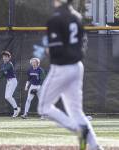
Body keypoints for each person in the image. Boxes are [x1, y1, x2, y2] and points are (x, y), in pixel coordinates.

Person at [38, 0, 103, 150]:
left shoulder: (55, 18)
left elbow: (56, 50)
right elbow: (83, 44)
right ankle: (95, 147)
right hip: (77, 66)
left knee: (43, 107)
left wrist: (48, 51)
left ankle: (78, 129)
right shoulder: (77, 16)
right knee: (76, 111)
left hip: (61, 68)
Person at [0, 51, 20, 118]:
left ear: (9, 57)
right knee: (7, 97)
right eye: (4, 57)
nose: (5, 58)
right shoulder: (3, 65)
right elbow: (3, 74)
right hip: (8, 82)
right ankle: (16, 108)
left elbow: (5, 69)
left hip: (13, 81)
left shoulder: (10, 64)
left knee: (8, 96)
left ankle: (16, 109)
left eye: (6, 57)